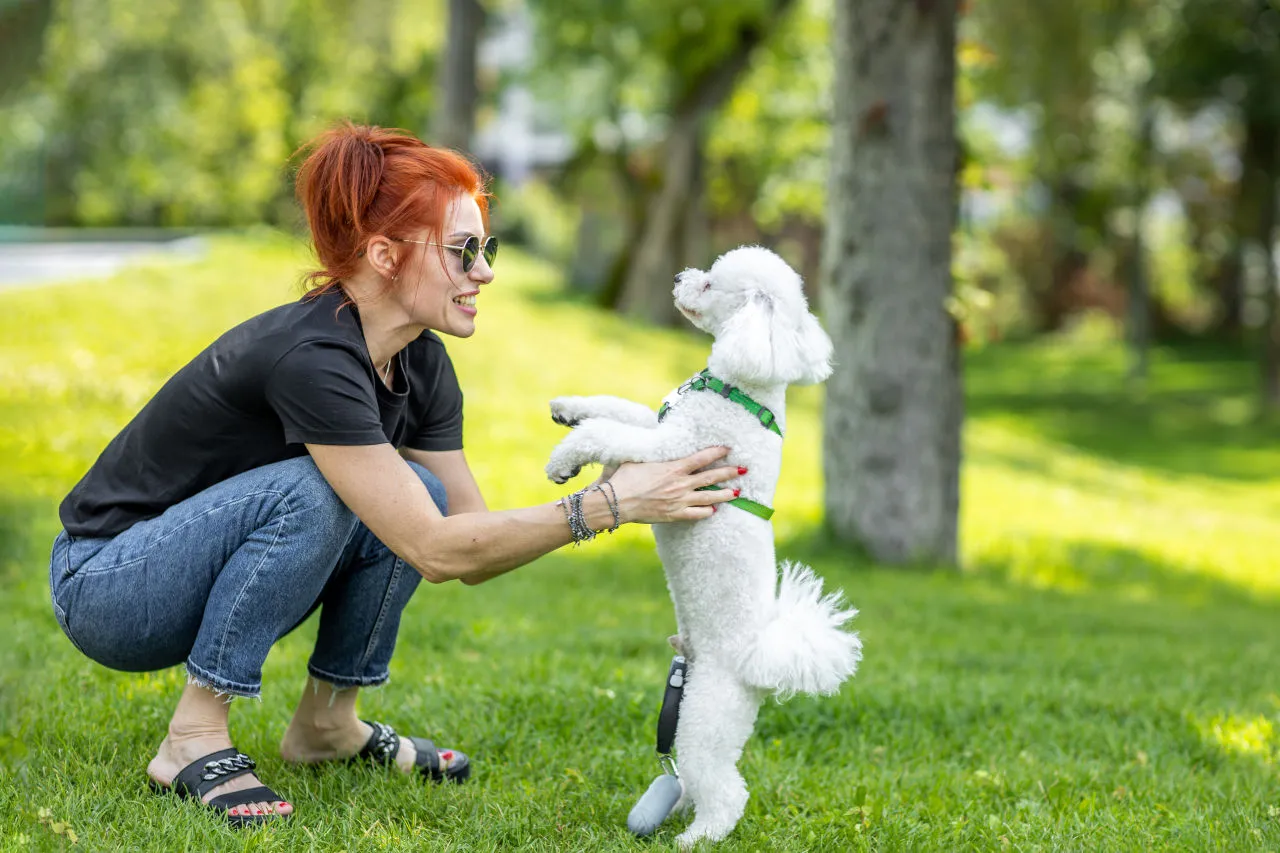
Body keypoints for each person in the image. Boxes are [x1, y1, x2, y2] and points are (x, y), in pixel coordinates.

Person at [47, 121, 738, 826]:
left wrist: (621, 483)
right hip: (107, 586)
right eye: (465, 251)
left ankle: (327, 724)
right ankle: (191, 736)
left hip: (177, 569)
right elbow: (436, 551)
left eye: (487, 248)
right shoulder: (313, 357)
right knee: (316, 491)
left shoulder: (420, 359)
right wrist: (606, 506)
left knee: (425, 494)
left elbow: (462, 538)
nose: (487, 272)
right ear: (382, 253)